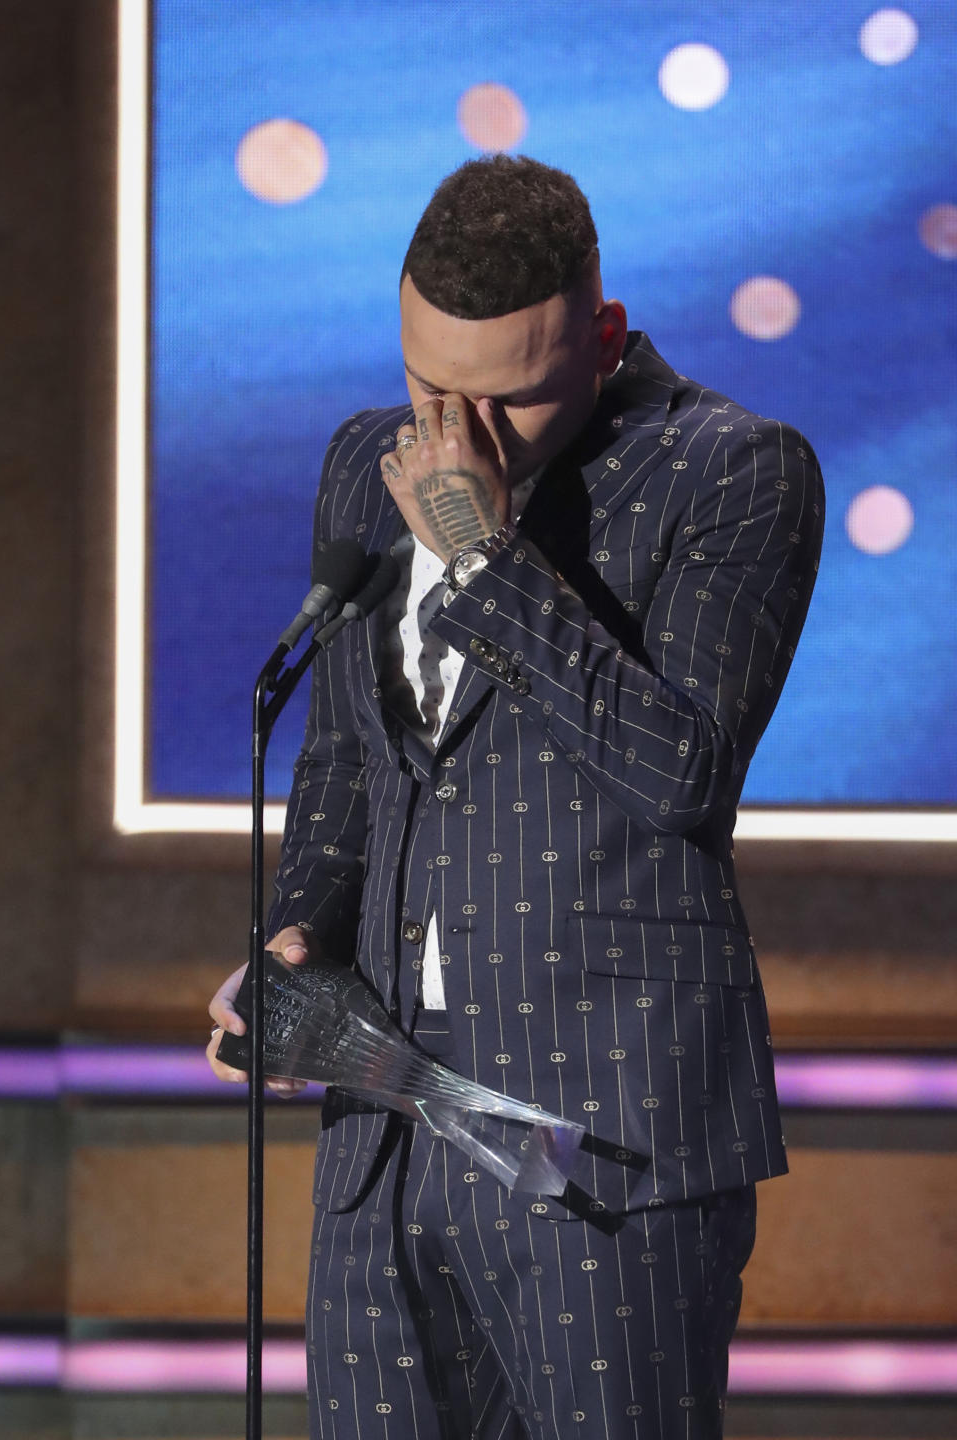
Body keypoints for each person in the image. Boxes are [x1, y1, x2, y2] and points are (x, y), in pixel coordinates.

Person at [208, 154, 824, 1439]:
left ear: (600, 338)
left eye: (503, 404)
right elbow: (344, 761)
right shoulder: (360, 465)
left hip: (600, 1142)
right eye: (430, 388)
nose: (452, 440)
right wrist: (297, 931)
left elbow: (686, 773)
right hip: (383, 1130)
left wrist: (485, 552)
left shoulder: (733, 472)